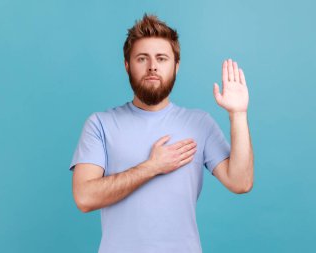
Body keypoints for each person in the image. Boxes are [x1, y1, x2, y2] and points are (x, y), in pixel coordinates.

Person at [69, 13, 254, 253]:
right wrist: (152, 167)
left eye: (162, 58)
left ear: (176, 65)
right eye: (142, 58)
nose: (152, 66)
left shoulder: (199, 123)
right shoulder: (100, 124)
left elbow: (240, 182)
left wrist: (238, 115)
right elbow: (84, 197)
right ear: (127, 65)